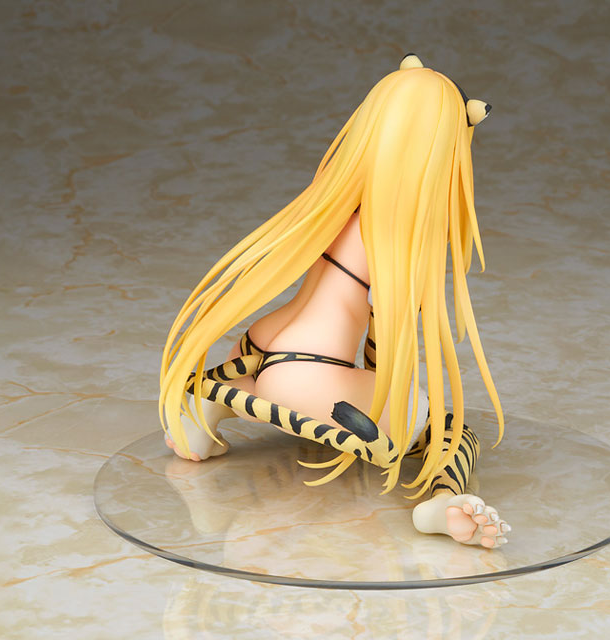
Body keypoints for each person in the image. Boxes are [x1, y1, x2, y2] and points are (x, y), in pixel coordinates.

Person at [159, 54, 510, 548]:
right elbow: (386, 336)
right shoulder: (399, 233)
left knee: (285, 385)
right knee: (443, 427)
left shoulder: (336, 198)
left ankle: (210, 408)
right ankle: (441, 501)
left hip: (260, 343)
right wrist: (389, 393)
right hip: (308, 372)